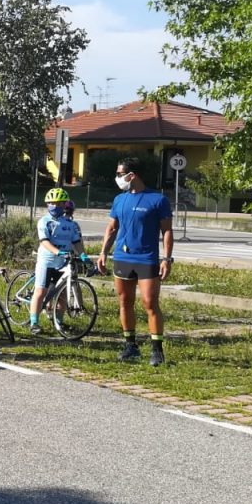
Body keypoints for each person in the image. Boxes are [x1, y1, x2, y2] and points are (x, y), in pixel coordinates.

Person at [96, 156, 174, 365]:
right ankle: (130, 346)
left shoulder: (157, 200)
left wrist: (166, 259)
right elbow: (112, 228)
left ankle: (157, 350)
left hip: (146, 258)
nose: (117, 177)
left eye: (120, 174)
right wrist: (103, 252)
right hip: (122, 257)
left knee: (150, 302)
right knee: (125, 301)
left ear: (133, 175)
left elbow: (167, 231)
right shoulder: (119, 199)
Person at [28, 187, 91, 334]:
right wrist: (57, 251)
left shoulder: (70, 224)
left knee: (62, 293)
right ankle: (34, 323)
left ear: (64, 205)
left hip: (62, 263)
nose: (55, 206)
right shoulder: (44, 221)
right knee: (40, 291)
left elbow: (77, 242)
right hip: (47, 261)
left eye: (59, 203)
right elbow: (44, 241)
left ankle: (59, 322)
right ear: (47, 204)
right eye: (52, 203)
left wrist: (84, 256)